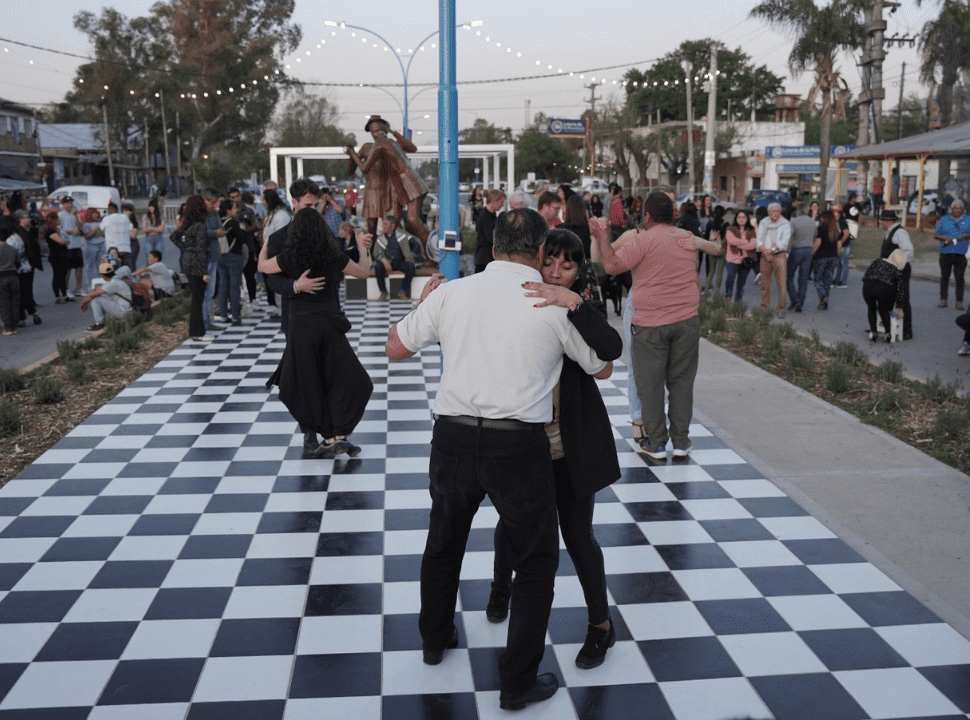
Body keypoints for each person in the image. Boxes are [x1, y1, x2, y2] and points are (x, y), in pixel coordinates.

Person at [385, 208, 611, 712]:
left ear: (492, 248)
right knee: (535, 564)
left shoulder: (452, 293)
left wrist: (425, 306)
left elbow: (394, 348)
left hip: (453, 439)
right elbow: (601, 368)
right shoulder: (549, 304)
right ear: (539, 252)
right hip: (519, 447)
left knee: (443, 545)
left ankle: (434, 639)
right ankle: (516, 683)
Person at [485, 228, 622, 671]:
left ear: (579, 271)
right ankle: (500, 589)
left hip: (571, 444)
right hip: (523, 442)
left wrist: (575, 304)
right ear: (536, 261)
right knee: (511, 525)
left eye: (568, 266)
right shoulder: (516, 299)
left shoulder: (581, 306)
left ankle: (601, 625)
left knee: (578, 536)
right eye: (551, 262)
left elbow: (610, 354)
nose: (558, 273)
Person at [591, 192, 699, 460]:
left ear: (647, 216)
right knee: (682, 383)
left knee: (650, 385)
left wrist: (602, 236)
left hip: (650, 324)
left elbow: (611, 266)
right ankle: (681, 441)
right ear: (673, 215)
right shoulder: (686, 239)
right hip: (687, 321)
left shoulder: (643, 239)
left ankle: (657, 443)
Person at [259, 207, 372, 458]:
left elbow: (263, 267)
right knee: (348, 379)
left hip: (302, 327)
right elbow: (364, 272)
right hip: (330, 324)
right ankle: (336, 435)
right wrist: (362, 248)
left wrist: (265, 245)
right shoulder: (332, 254)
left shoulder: (289, 256)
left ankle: (331, 436)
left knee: (309, 382)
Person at [345, 115, 429, 251]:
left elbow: (412, 148)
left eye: (379, 130)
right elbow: (351, 170)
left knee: (395, 224)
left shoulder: (388, 143)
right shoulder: (368, 147)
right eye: (373, 131)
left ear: (384, 129)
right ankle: (372, 256)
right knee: (372, 227)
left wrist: (393, 131)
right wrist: (352, 155)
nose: (376, 134)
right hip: (374, 191)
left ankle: (408, 252)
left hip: (392, 190)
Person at [170, 195, 213, 342]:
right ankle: (198, 332)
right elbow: (201, 249)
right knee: (198, 299)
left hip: (187, 262)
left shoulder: (188, 225)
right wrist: (204, 271)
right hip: (197, 264)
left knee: (196, 299)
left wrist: (186, 248)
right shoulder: (200, 226)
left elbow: (173, 237)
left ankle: (196, 331)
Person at [878, 208, 914, 340]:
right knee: (888, 297)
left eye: (882, 221)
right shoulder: (890, 232)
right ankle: (887, 327)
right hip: (890, 271)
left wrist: (897, 263)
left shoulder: (900, 232)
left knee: (902, 299)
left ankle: (907, 330)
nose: (881, 223)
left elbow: (909, 251)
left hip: (900, 270)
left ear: (887, 221)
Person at [215, 199, 250, 324]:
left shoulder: (217, 222)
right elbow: (242, 238)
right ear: (228, 211)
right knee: (235, 286)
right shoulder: (233, 223)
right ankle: (235, 315)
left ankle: (223, 315)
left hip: (220, 257)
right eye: (234, 208)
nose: (236, 210)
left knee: (223, 285)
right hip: (234, 256)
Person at [863, 250, 908, 343]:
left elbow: (867, 274)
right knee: (883, 309)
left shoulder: (877, 261)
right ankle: (887, 334)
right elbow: (900, 291)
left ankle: (873, 333)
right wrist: (900, 307)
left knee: (871, 308)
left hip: (868, 286)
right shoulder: (896, 271)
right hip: (883, 289)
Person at [5, 210, 41, 326]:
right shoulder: (19, 234)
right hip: (24, 267)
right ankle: (32, 314)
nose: (29, 220)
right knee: (25, 292)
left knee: (20, 293)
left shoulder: (17, 235)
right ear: (20, 219)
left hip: (21, 268)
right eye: (26, 217)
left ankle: (22, 317)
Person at [261, 187, 291, 318]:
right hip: (271, 254)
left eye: (264, 200)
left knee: (281, 282)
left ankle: (285, 311)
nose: (262, 202)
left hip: (279, 255)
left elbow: (282, 237)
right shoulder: (272, 214)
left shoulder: (281, 216)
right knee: (276, 282)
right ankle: (281, 309)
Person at [934, 199, 970, 309]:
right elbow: (936, 235)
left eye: (959, 208)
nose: (957, 210)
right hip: (946, 253)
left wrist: (964, 236)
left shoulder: (967, 219)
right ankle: (943, 299)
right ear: (951, 209)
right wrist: (945, 238)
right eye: (955, 208)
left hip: (961, 253)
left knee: (959, 278)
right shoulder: (944, 219)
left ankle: (959, 301)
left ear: (962, 209)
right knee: (944, 277)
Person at [756, 202, 791, 314]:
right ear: (768, 212)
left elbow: (784, 242)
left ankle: (781, 309)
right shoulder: (763, 222)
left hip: (779, 255)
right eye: (773, 211)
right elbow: (759, 238)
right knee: (765, 283)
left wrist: (770, 250)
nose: (775, 213)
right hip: (765, 254)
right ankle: (764, 306)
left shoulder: (785, 223)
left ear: (780, 212)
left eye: (777, 211)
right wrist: (765, 251)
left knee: (781, 284)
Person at [372, 214, 416, 301]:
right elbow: (375, 253)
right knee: (378, 267)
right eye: (383, 224)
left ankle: (403, 291)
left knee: (411, 267)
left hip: (400, 262)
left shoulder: (402, 235)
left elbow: (416, 244)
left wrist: (411, 256)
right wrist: (384, 260)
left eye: (385, 224)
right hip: (387, 262)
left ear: (392, 226)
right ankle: (383, 292)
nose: (383, 226)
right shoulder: (381, 238)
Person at [79, 262, 133, 332]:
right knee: (101, 296)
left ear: (103, 275)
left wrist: (83, 303)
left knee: (96, 299)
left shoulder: (113, 283)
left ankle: (99, 324)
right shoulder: (115, 280)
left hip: (123, 312)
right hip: (127, 310)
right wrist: (84, 301)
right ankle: (104, 321)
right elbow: (96, 290)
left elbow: (93, 294)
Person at [787, 205, 818, 312]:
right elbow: (814, 236)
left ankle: (794, 299)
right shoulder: (812, 222)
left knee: (788, 276)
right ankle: (800, 304)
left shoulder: (794, 221)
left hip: (796, 249)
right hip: (808, 250)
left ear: (798, 211)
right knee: (803, 278)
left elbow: (789, 235)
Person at [724, 209, 757, 303]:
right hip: (732, 259)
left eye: (743, 217)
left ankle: (738, 301)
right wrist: (745, 242)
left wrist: (738, 244)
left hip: (746, 260)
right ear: (736, 218)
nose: (741, 219)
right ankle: (728, 296)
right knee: (730, 277)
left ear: (747, 219)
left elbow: (752, 245)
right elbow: (731, 240)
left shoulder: (751, 230)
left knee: (741, 283)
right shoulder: (730, 228)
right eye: (739, 217)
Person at [812, 210, 843, 310]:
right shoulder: (836, 230)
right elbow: (839, 246)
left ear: (824, 218)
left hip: (821, 256)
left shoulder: (821, 228)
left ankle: (822, 297)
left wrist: (812, 253)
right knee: (827, 280)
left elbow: (818, 243)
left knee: (818, 279)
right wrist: (837, 256)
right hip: (833, 257)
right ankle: (824, 302)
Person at [58, 196, 84, 301]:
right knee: (67, 268)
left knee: (79, 267)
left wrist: (76, 216)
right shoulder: (60, 215)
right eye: (66, 203)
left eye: (70, 203)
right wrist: (72, 231)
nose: (69, 205)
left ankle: (79, 288)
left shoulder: (75, 214)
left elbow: (80, 227)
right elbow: (61, 230)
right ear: (63, 204)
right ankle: (66, 289)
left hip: (77, 244)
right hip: (67, 245)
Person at [474, 189, 505, 273]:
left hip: (486, 258)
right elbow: (491, 238)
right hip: (484, 259)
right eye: (501, 202)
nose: (502, 205)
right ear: (495, 201)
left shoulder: (490, 215)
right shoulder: (485, 217)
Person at [44, 211, 71, 304]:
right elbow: (60, 241)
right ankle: (57, 296)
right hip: (56, 256)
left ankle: (64, 295)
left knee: (63, 276)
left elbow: (63, 239)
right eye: (57, 219)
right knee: (57, 276)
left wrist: (65, 240)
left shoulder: (57, 230)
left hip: (62, 255)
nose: (58, 221)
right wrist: (66, 241)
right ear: (53, 220)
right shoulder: (49, 231)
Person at [99, 203, 133, 270]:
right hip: (125, 249)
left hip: (112, 251)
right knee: (127, 270)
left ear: (110, 209)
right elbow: (130, 228)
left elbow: (100, 229)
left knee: (111, 270)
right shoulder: (125, 217)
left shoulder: (106, 218)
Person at [835, 195, 857, 288]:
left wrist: (840, 242)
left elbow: (846, 234)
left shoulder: (842, 222)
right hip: (841, 245)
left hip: (846, 245)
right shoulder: (834, 223)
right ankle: (836, 280)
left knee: (844, 263)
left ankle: (844, 282)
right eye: (834, 212)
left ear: (840, 214)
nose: (835, 214)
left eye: (837, 213)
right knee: (840, 264)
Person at [0, 230, 18, 335]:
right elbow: (17, 261)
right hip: (14, 276)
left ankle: (8, 327)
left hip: (1, 277)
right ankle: (14, 326)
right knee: (14, 302)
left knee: (4, 303)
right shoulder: (13, 249)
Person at [122, 203, 140, 272]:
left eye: (127, 210)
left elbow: (133, 235)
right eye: (124, 210)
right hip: (123, 244)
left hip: (132, 244)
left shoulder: (133, 222)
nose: (125, 212)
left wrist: (124, 232)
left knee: (131, 263)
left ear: (131, 212)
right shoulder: (120, 220)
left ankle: (133, 276)